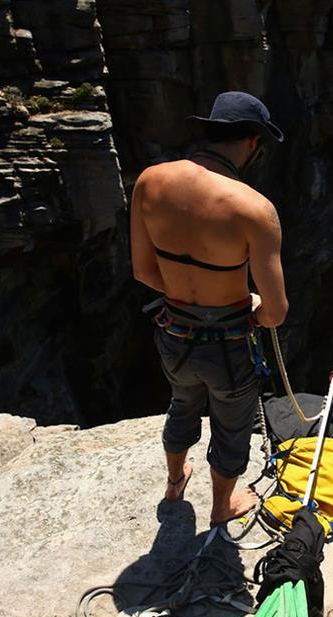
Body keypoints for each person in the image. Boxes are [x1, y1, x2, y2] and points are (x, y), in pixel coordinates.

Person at [130, 91, 289, 526]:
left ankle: (175, 482)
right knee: (232, 425)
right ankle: (221, 508)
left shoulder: (150, 181)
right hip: (228, 345)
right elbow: (274, 313)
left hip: (173, 333)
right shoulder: (254, 209)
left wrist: (189, 291)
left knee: (182, 403)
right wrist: (246, 305)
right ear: (253, 142)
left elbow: (143, 271)